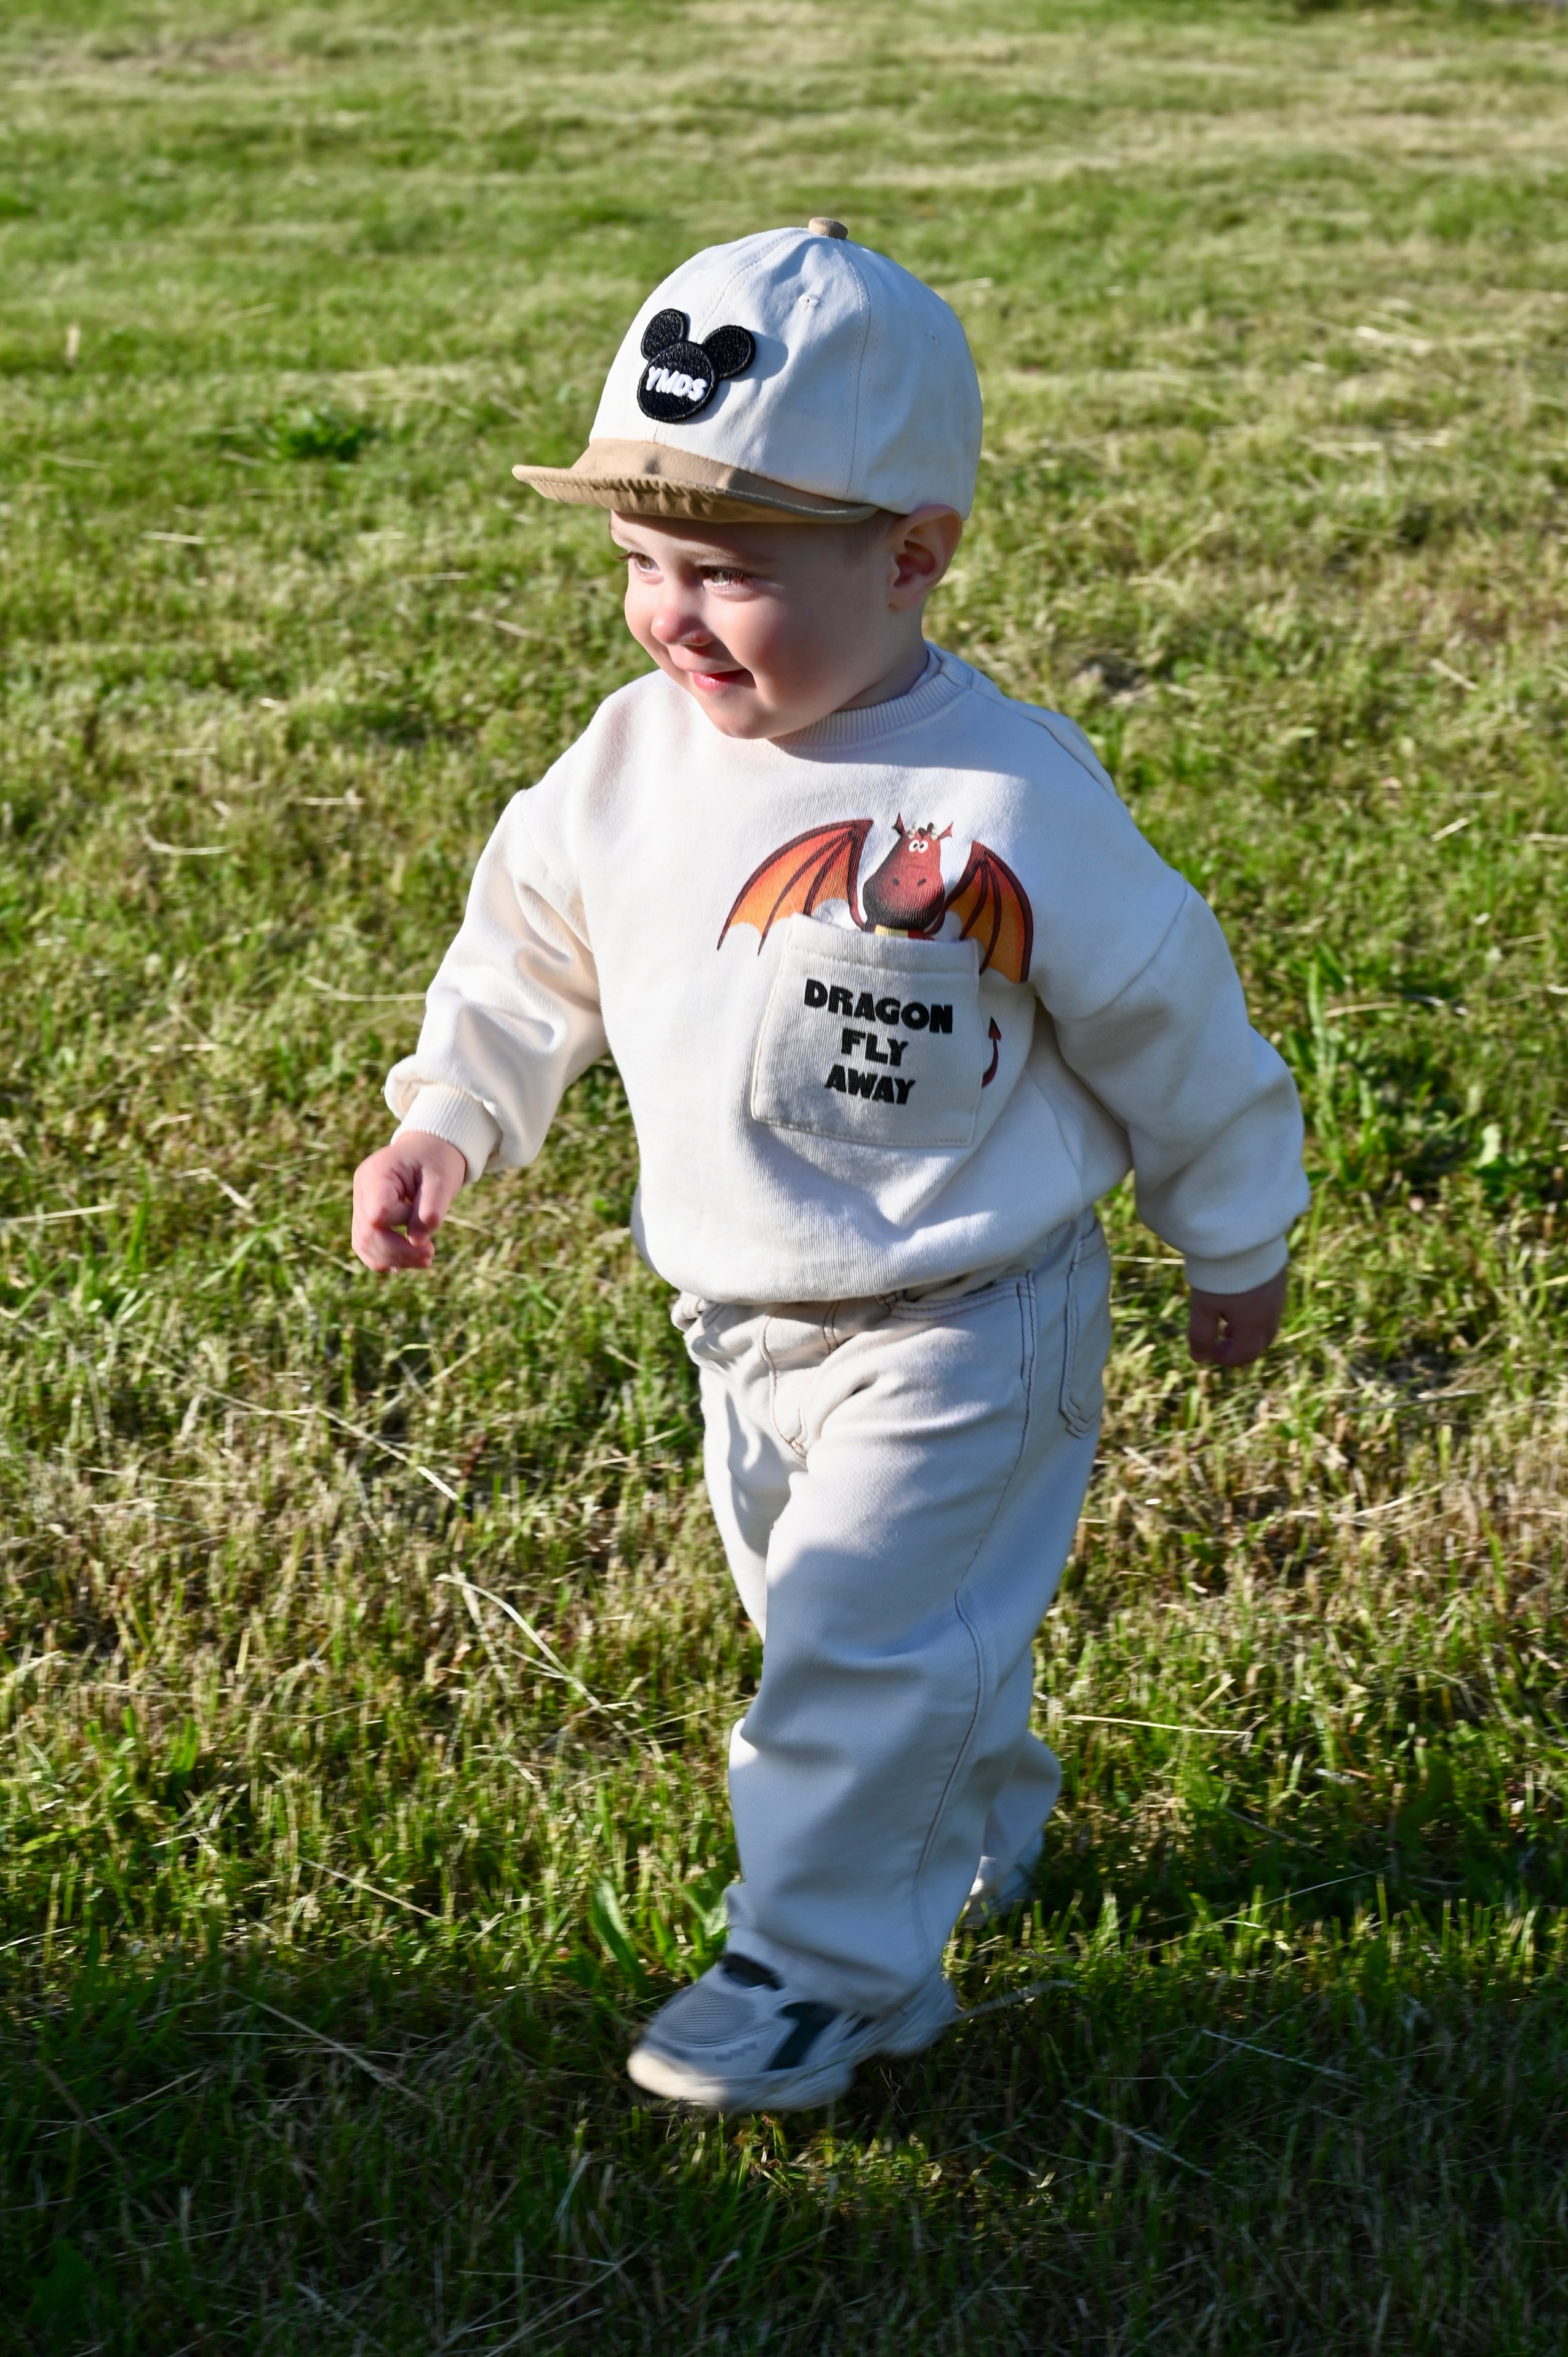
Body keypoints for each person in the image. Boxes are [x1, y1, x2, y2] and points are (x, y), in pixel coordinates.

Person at [350, 219, 1308, 2112]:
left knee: (849, 1661)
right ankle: (969, 1842)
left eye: (729, 571)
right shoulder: (630, 763)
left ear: (915, 553)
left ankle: (817, 1979)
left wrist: (1234, 1231)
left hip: (970, 1314)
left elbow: (1173, 1021)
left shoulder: (1005, 805)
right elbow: (532, 946)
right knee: (855, 1632)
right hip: (746, 1318)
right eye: (639, 563)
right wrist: (453, 1109)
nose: (672, 617)